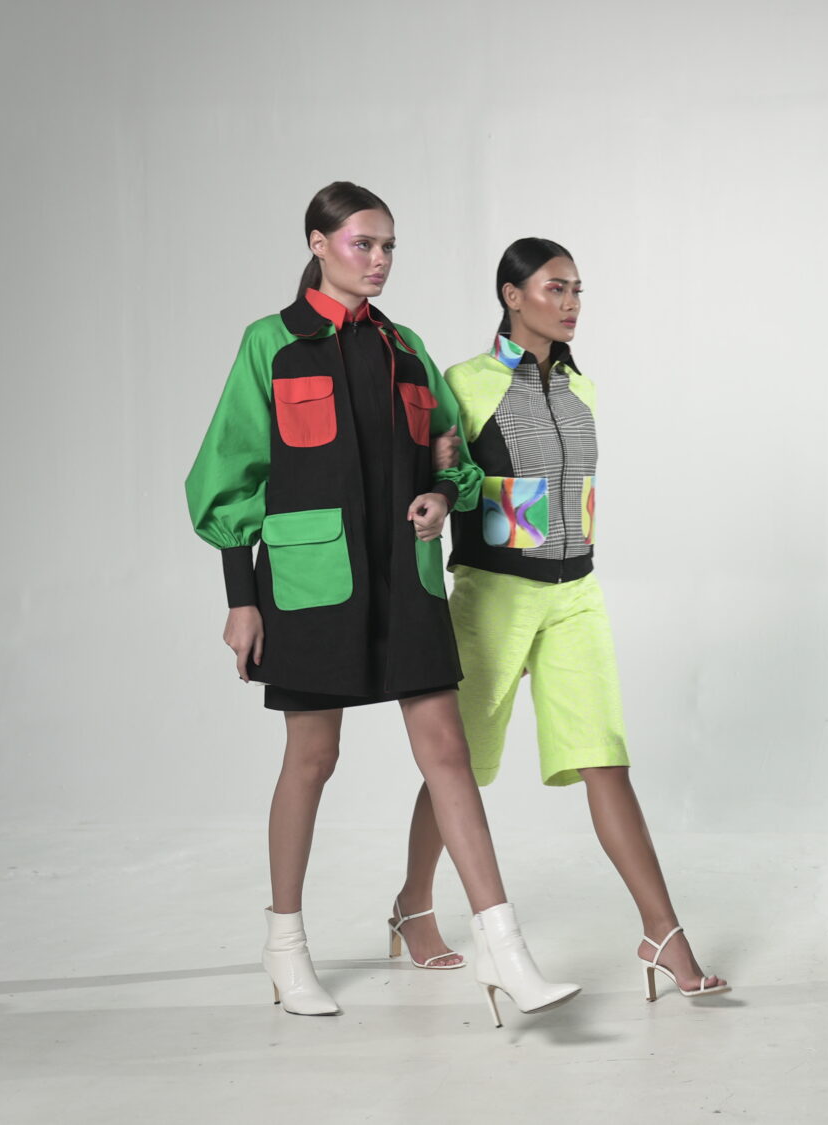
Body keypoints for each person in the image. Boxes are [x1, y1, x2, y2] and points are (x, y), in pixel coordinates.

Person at [185, 184, 579, 1027]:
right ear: (318, 244)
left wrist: (442, 494)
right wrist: (241, 600)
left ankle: (504, 948)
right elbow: (227, 479)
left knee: (449, 751)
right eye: (362, 243)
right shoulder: (270, 345)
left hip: (406, 578)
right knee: (313, 757)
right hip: (310, 585)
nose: (379, 260)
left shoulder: (406, 350)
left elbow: (452, 461)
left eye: (389, 245)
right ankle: (285, 943)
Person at [409, 237, 729, 1002]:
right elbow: (445, 480)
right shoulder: (464, 382)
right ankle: (414, 905)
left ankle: (664, 933)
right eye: (555, 288)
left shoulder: (582, 390)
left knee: (604, 757)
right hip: (492, 595)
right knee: (457, 764)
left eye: (578, 290)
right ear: (512, 295)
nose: (571, 303)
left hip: (576, 593)